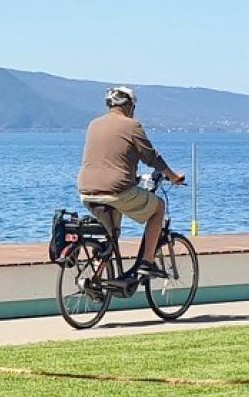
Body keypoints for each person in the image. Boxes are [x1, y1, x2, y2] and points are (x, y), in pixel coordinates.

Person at [76, 86, 186, 276]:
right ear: (129, 105)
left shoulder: (94, 124)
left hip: (87, 192)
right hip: (116, 192)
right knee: (158, 207)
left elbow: (109, 160)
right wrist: (173, 176)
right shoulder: (131, 125)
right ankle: (147, 262)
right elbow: (151, 157)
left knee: (111, 236)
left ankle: (94, 279)